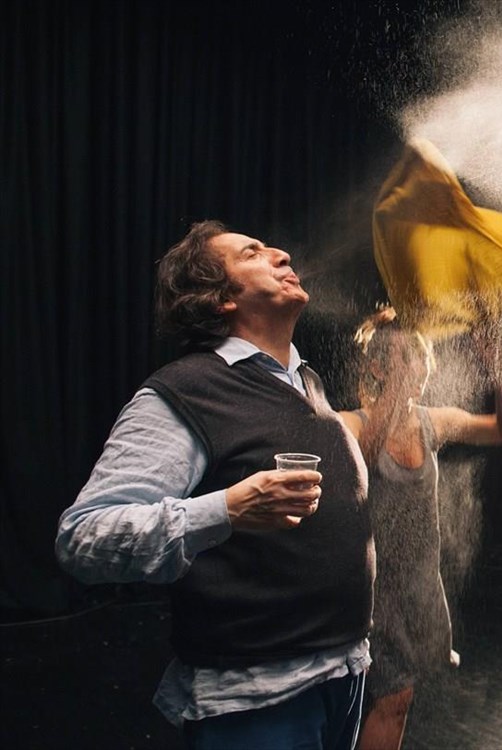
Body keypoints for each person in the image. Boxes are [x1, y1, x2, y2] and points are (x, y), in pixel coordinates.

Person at [56, 220, 373, 750]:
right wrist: (226, 508)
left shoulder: (307, 382)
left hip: (344, 673)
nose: (281, 252)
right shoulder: (186, 391)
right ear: (222, 298)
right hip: (258, 698)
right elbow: (83, 537)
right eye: (252, 253)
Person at [339, 306, 502, 750]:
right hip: (371, 591)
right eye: (406, 357)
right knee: (391, 699)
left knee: (397, 702)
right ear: (377, 367)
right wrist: (394, 392)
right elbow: (364, 452)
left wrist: (494, 356)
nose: (419, 367)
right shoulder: (350, 424)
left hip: (419, 588)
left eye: (421, 356)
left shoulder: (432, 422)